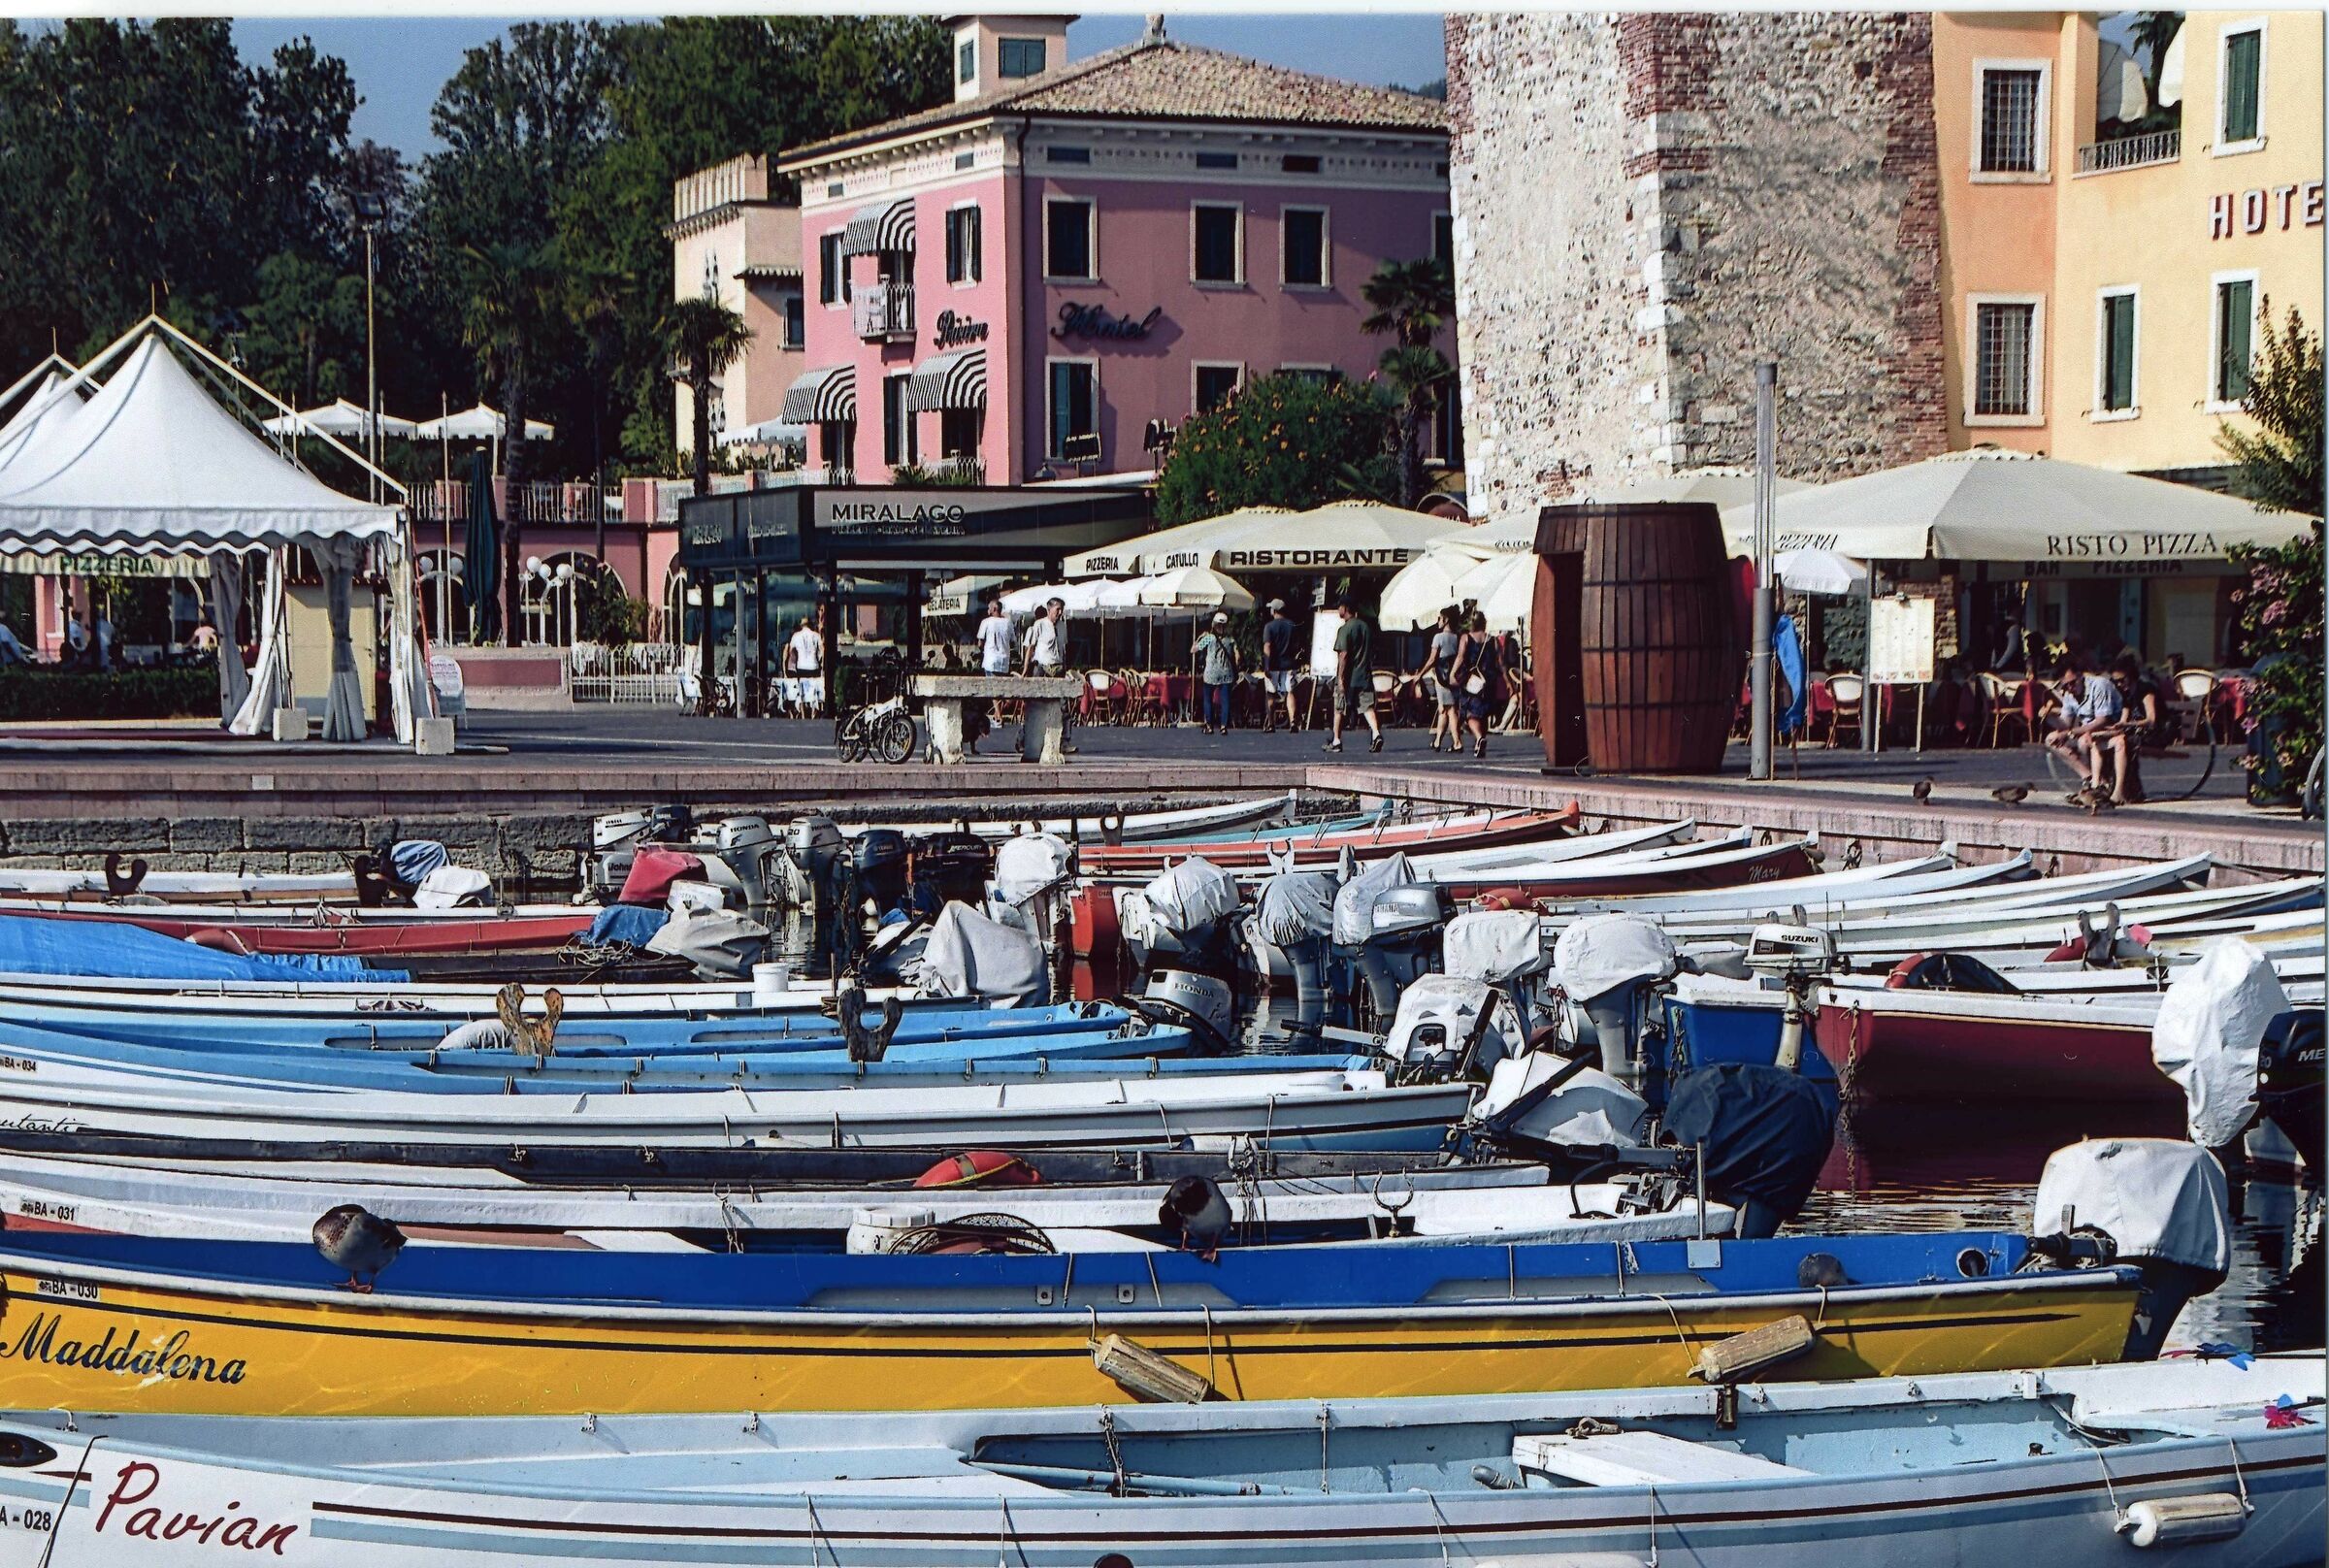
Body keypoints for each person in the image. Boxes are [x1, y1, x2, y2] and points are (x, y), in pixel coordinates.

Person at [2043, 652, 2122, 801]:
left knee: (2083, 741)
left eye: (2073, 683)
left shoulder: (2099, 685)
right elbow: (2065, 723)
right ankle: (2089, 777)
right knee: (2051, 739)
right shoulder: (2069, 694)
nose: (2070, 688)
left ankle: (2100, 783)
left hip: (2110, 727)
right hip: (2088, 730)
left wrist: (2069, 733)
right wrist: (2048, 717)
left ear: (2080, 676)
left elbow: (2102, 720)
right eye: (2066, 685)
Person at [2101, 651, 2166, 805]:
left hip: (2157, 733)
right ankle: (2118, 788)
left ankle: (2120, 791)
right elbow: (2123, 721)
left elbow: (2151, 720)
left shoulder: (2146, 690)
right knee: (2110, 740)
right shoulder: (2126, 693)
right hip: (2138, 732)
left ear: (2131, 676)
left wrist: (2127, 725)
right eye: (2114, 681)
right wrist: (2110, 729)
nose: (2118, 684)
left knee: (2125, 742)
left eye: (2121, 680)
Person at [1324, 596, 1381, 754]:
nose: (1338, 610)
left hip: (1349, 676)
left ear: (1345, 608)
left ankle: (1336, 740)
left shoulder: (1345, 629)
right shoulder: (1366, 627)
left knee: (1339, 708)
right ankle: (1376, 734)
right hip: (1364, 674)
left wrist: (1341, 678)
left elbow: (1343, 655)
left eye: (1339, 607)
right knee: (1367, 707)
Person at [1452, 608, 1508, 759]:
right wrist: (1509, 682)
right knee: (1483, 713)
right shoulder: (1493, 639)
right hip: (1489, 680)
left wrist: (1453, 673)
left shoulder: (1466, 638)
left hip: (1472, 680)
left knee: (1470, 714)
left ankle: (1479, 738)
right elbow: (1501, 663)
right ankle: (1480, 745)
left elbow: (1460, 657)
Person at [1412, 604, 1461, 754]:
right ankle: (1438, 741)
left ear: (1445, 620)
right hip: (1453, 675)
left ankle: (1457, 742)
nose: (1438, 621)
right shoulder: (1457, 637)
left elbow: (1432, 659)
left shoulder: (1438, 637)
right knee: (1444, 708)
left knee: (1449, 709)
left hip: (1441, 676)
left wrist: (1420, 674)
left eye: (1439, 618)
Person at [1192, 611, 1240, 735]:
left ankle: (1209, 726)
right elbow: (1238, 657)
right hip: (1226, 673)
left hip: (1210, 673)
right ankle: (1223, 726)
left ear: (1214, 624)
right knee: (1225, 701)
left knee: (1208, 699)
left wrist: (1199, 638)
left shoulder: (1209, 638)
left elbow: (1193, 650)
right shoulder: (1231, 639)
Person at [1260, 598, 1300, 734]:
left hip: (1274, 665)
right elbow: (1296, 645)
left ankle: (1271, 723)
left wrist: (1266, 665)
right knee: (1290, 692)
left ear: (1274, 610)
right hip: (1289, 664)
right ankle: (1293, 721)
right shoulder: (1292, 625)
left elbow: (1267, 646)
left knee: (1271, 693)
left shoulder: (1269, 627)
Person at [784, 617, 823, 718]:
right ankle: (814, 712)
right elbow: (822, 650)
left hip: (801, 666)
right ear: (810, 625)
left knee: (801, 690)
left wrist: (792, 661)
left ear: (801, 626)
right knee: (814, 689)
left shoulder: (796, 636)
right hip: (814, 666)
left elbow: (791, 651)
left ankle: (803, 714)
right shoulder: (816, 635)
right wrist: (820, 660)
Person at [1023, 597, 1066, 677]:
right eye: (1058, 609)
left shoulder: (1062, 626)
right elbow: (1031, 647)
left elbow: (1063, 649)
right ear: (1049, 610)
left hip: (1058, 668)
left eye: (1062, 610)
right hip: (1041, 668)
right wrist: (1025, 669)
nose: (1060, 612)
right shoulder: (1039, 624)